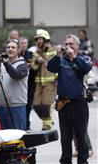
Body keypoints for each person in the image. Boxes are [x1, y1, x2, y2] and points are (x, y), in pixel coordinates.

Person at [47, 34, 92, 164]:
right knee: (65, 137)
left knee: (81, 135)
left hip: (79, 103)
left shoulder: (84, 58)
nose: (68, 47)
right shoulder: (61, 60)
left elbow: (86, 69)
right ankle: (65, 161)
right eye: (66, 44)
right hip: (63, 103)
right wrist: (57, 55)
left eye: (71, 44)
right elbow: (50, 68)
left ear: (77, 46)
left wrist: (74, 57)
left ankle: (82, 161)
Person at [0, 39, 29, 130]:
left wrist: (6, 63)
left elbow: (16, 75)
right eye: (8, 47)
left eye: (13, 47)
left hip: (17, 106)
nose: (10, 49)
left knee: (17, 137)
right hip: (2, 107)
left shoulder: (23, 65)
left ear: (18, 50)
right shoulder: (2, 65)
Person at [31, 29, 57, 130]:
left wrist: (45, 59)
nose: (39, 41)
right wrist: (37, 60)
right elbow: (33, 67)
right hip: (39, 83)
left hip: (50, 83)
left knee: (46, 106)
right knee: (36, 106)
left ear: (46, 39)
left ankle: (47, 126)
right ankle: (49, 120)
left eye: (40, 39)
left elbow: (57, 65)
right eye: (37, 39)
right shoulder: (36, 52)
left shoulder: (53, 51)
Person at [19, 36, 35, 130]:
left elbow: (35, 66)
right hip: (20, 84)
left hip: (30, 83)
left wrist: (32, 66)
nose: (24, 45)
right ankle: (21, 124)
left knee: (28, 105)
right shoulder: (17, 54)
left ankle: (27, 125)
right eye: (22, 43)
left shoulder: (31, 54)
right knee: (21, 105)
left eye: (25, 43)